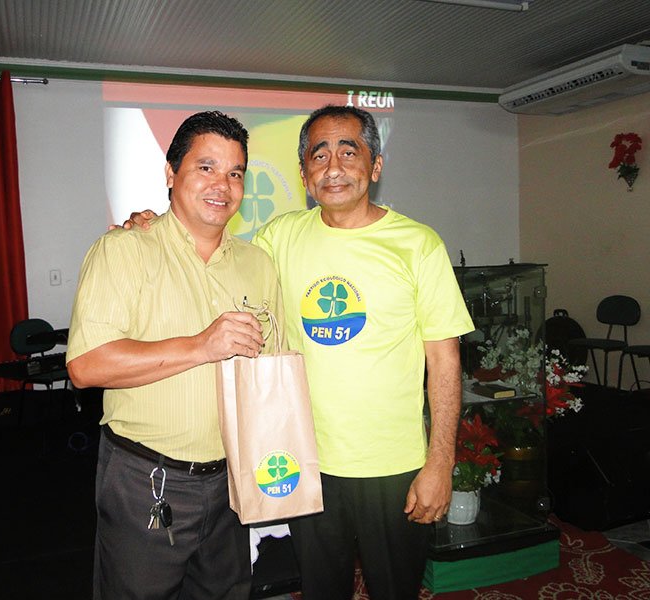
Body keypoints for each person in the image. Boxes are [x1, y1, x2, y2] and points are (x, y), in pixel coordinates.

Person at [122, 105, 473, 599]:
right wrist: (152, 226)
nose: (333, 167)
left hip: (395, 468)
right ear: (304, 175)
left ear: (375, 166)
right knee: (319, 590)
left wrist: (440, 464)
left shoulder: (419, 245)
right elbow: (213, 250)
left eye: (348, 152)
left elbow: (444, 361)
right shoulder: (279, 238)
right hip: (308, 463)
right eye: (319, 155)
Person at [66, 111, 284, 600]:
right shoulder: (124, 250)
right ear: (171, 173)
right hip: (146, 479)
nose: (222, 185)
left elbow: (273, 374)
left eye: (235, 173)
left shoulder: (258, 264)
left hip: (231, 482)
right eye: (206, 167)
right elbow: (86, 366)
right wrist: (202, 346)